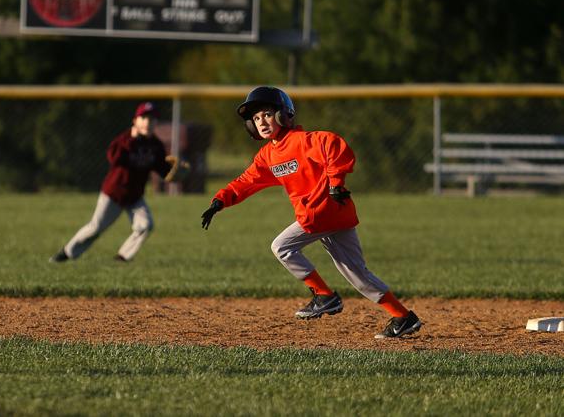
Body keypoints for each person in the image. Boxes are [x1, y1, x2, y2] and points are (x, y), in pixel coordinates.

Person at [200, 86, 421, 339]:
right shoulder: (268, 156)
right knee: (357, 273)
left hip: (321, 213)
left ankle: (325, 296)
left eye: (268, 114)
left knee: (281, 246)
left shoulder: (303, 141)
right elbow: (246, 181)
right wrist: (220, 201)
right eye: (257, 118)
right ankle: (403, 317)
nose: (262, 122)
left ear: (285, 115)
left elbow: (334, 145)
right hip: (334, 216)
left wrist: (336, 184)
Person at [50, 102, 187, 263]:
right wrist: (132, 141)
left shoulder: (155, 145)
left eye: (152, 119)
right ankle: (67, 252)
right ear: (135, 121)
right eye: (143, 118)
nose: (148, 122)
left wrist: (174, 174)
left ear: (156, 123)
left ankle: (122, 257)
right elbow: (113, 158)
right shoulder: (125, 139)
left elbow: (161, 168)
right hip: (114, 194)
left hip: (135, 196)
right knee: (96, 228)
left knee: (146, 225)